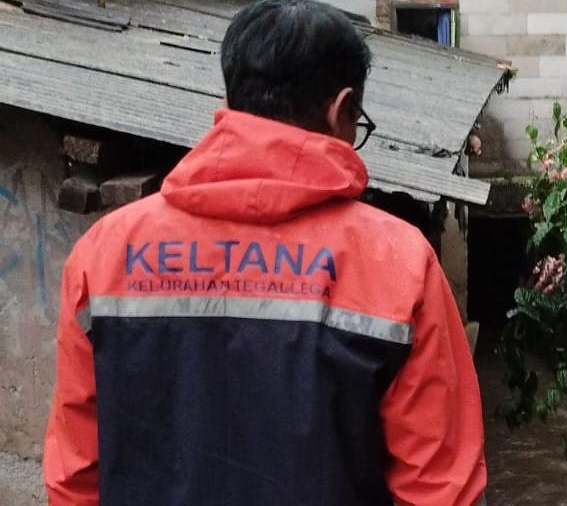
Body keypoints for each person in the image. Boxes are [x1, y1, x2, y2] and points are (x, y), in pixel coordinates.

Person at [42, 1, 487, 504]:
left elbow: (74, 475)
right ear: (341, 109)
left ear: (230, 99)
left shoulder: (103, 254)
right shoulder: (401, 264)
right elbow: (439, 488)